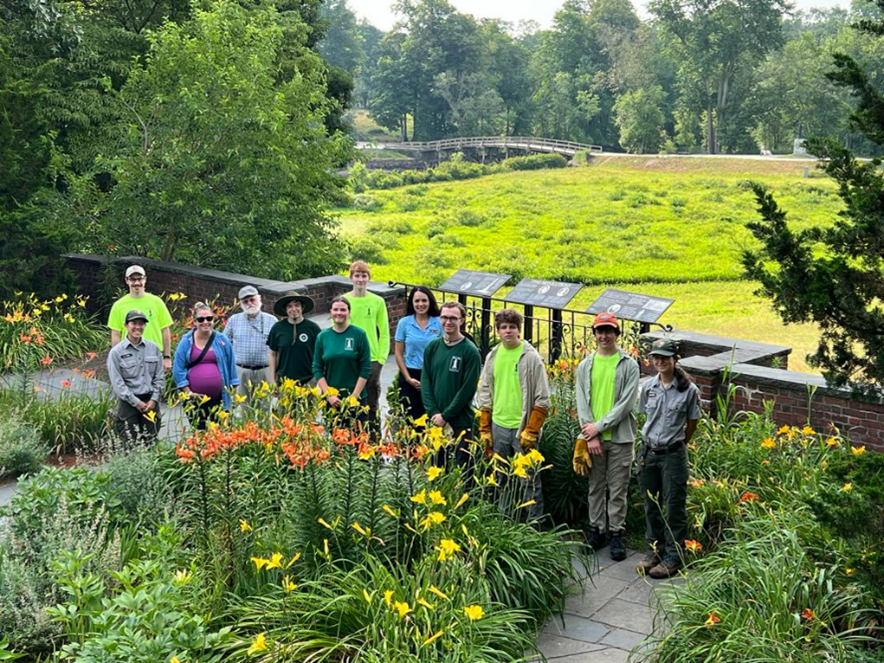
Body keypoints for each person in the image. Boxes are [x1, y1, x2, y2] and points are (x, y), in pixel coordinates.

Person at [572, 311, 640, 562]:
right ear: (594, 334)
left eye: (608, 331)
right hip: (593, 439)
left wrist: (599, 427)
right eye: (600, 331)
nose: (604, 336)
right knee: (596, 486)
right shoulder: (585, 366)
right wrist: (590, 434)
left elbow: (626, 404)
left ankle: (616, 533)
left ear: (616, 333)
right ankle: (597, 530)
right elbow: (581, 402)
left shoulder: (629, 365)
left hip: (620, 438)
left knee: (618, 488)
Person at [636, 338, 701, 579]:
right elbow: (645, 416)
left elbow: (692, 422)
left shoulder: (689, 391)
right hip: (648, 453)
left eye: (665, 357)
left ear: (675, 359)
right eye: (656, 357)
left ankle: (674, 555)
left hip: (672, 455)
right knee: (651, 505)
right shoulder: (649, 387)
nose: (660, 361)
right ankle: (654, 550)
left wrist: (679, 443)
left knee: (674, 507)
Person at [477, 309, 550, 523]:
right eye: (503, 328)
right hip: (498, 425)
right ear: (498, 331)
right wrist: (485, 426)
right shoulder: (493, 356)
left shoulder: (531, 357)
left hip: (523, 428)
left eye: (512, 327)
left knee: (528, 479)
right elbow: (485, 390)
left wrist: (532, 430)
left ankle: (535, 523)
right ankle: (505, 521)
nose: (508, 331)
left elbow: (543, 398)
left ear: (519, 330)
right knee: (501, 476)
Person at [421, 301, 481, 469]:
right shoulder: (432, 347)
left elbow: (467, 390)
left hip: (460, 421)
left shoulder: (470, 351)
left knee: (462, 470)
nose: (448, 322)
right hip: (435, 421)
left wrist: (446, 416)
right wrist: (434, 412)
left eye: (453, 318)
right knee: (437, 468)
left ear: (462, 320)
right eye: (444, 317)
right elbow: (425, 382)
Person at [172, 302, 239, 430]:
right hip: (195, 399)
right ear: (194, 322)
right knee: (199, 432)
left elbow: (231, 367)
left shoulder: (222, 340)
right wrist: (188, 392)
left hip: (220, 397)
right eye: (201, 319)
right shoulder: (186, 341)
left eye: (209, 318)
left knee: (220, 433)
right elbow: (178, 369)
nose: (205, 322)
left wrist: (234, 392)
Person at [344, 261, 389, 436]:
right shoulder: (344, 301)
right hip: (350, 358)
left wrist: (381, 359)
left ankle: (374, 441)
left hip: (372, 359)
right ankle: (351, 440)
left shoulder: (377, 301)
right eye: (357, 275)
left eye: (364, 276)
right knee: (351, 401)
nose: (360, 279)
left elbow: (384, 333)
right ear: (351, 277)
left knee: (371, 404)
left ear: (369, 278)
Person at [106, 310, 164, 445]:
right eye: (134, 323)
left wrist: (154, 399)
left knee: (151, 443)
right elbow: (117, 383)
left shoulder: (153, 348)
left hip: (151, 402)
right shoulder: (116, 352)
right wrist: (136, 402)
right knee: (129, 445)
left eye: (141, 324)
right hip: (128, 404)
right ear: (126, 325)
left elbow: (160, 376)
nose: (138, 327)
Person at [313, 296, 372, 424]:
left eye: (343, 310)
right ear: (330, 312)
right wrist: (329, 395)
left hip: (356, 399)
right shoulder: (322, 337)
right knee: (334, 435)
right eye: (335, 309)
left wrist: (354, 397)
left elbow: (365, 368)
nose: (339, 313)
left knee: (358, 435)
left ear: (349, 312)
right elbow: (317, 368)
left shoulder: (359, 334)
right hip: (332, 400)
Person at [107, 265, 173, 371]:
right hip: (129, 357)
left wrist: (167, 357)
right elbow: (116, 334)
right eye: (133, 279)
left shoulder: (157, 302)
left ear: (145, 279)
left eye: (140, 279)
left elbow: (165, 330)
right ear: (127, 280)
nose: (137, 283)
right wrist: (117, 359)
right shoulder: (118, 306)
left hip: (153, 355)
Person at [394, 287, 442, 422]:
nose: (421, 304)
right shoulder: (404, 323)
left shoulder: (439, 322)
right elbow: (398, 353)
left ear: (430, 301)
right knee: (410, 418)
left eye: (424, 300)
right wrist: (408, 378)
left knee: (433, 417)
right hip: (411, 374)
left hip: (433, 375)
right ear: (412, 303)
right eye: (417, 301)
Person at [223, 285, 277, 404]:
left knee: (264, 408)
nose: (249, 303)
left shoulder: (272, 320)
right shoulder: (233, 320)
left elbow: (277, 349)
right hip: (241, 371)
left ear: (259, 298)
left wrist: (275, 376)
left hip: (265, 371)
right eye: (245, 301)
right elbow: (225, 345)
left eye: (252, 299)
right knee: (242, 408)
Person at [267, 291, 320, 386]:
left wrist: (316, 378)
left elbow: (321, 355)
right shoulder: (277, 328)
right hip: (284, 383)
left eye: (297, 305)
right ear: (285, 309)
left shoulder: (313, 328)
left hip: (308, 382)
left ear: (302, 307)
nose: (294, 309)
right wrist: (272, 379)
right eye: (289, 306)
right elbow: (272, 354)